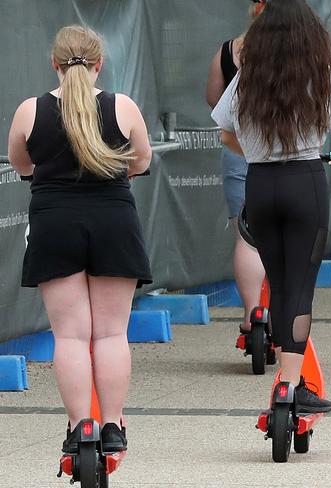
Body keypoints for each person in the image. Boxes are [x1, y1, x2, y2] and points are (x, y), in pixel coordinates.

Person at [212, 0, 331, 413]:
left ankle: (287, 377)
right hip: (305, 183)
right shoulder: (322, 77)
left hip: (261, 185)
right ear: (310, 36)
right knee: (300, 288)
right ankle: (290, 385)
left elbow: (226, 134)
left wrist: (258, 150)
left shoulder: (247, 79)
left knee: (278, 284)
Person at [7, 26, 152, 452]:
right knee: (110, 334)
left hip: (54, 222)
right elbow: (140, 160)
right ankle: (112, 427)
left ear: (53, 63)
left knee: (69, 336)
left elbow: (22, 162)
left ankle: (79, 428)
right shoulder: (121, 106)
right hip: (114, 220)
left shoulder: (29, 111)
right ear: (99, 64)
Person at [206, 0, 266, 334]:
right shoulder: (295, 51)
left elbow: (214, 97)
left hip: (238, 149)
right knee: (284, 234)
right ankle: (282, 311)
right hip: (283, 151)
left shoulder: (230, 51)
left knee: (246, 233)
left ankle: (251, 314)